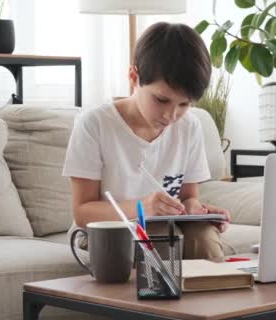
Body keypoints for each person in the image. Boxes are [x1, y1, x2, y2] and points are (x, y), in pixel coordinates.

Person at [62, 22, 230, 259]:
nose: (171, 116)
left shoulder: (189, 126)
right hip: (104, 232)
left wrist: (194, 208)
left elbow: (188, 196)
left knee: (203, 236)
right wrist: (144, 208)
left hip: (164, 226)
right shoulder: (95, 124)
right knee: (159, 233)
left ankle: (214, 294)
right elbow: (83, 212)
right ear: (134, 76)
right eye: (162, 100)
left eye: (184, 104)